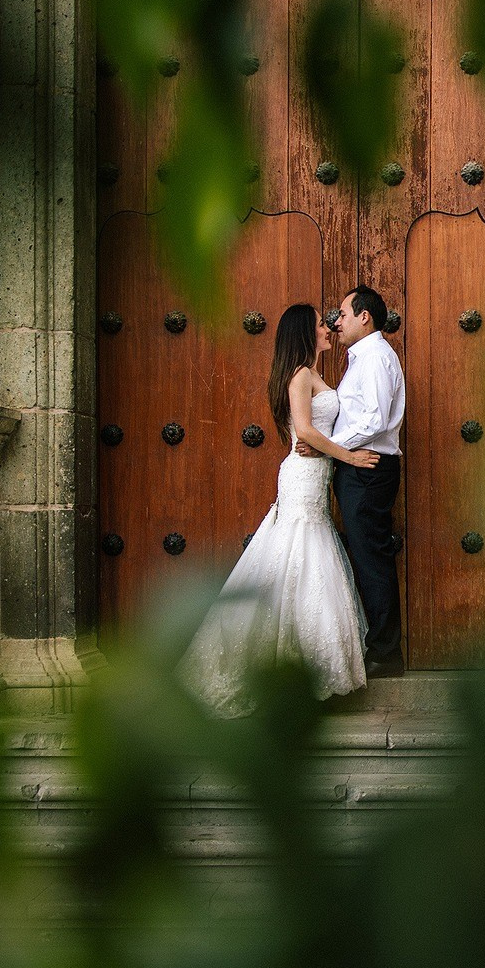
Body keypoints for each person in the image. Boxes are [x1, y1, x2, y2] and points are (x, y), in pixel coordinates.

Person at [178, 304, 377, 714]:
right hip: (303, 475)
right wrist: (350, 457)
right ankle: (278, 668)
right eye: (321, 324)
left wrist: (332, 447)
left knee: (304, 561)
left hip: (315, 473)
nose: (328, 328)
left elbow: (318, 428)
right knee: (297, 557)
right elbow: (304, 430)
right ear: (305, 333)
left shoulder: (317, 373)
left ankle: (302, 667)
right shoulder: (301, 375)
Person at [303, 285, 407, 675]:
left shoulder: (376, 357)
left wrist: (329, 446)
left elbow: (375, 419)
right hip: (358, 466)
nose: (336, 322)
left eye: (343, 315)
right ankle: (379, 646)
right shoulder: (361, 358)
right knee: (366, 555)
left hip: (368, 468)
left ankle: (384, 652)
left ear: (365, 317)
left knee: (371, 557)